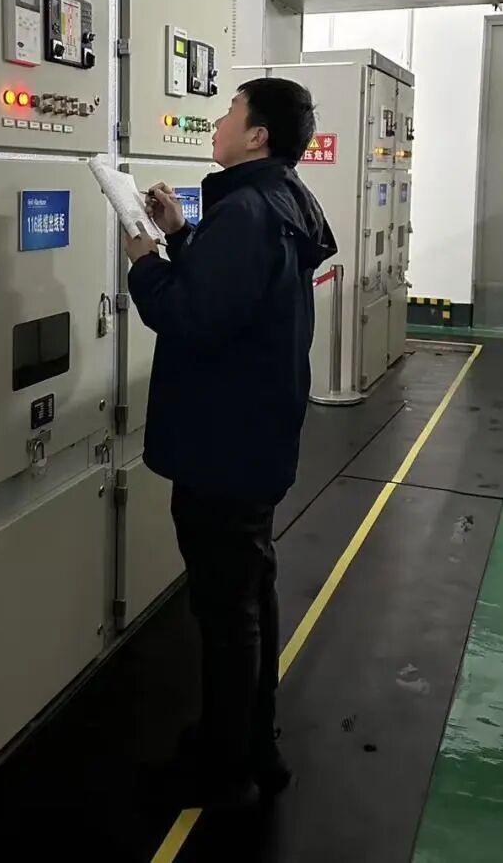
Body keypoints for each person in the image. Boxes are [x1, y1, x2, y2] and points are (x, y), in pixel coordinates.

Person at [124, 78, 336, 806]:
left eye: (229, 112)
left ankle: (223, 768)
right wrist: (183, 234)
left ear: (257, 136)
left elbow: (191, 317)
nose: (216, 121)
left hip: (223, 440)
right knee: (249, 593)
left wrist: (145, 258)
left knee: (225, 613)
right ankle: (253, 743)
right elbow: (236, 292)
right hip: (255, 433)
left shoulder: (246, 210)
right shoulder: (280, 198)